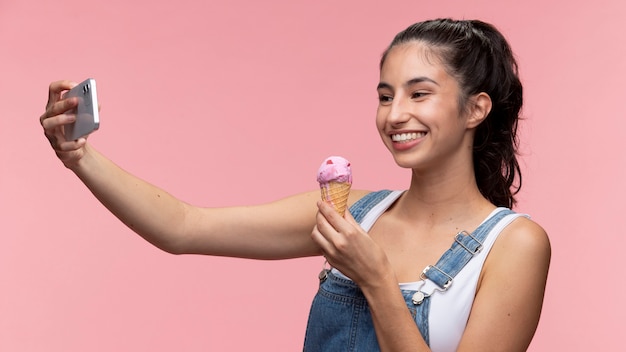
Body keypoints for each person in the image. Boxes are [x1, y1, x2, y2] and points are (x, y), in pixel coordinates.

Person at [40, 18, 551, 352]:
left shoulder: (514, 246)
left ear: (476, 109)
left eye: (420, 94)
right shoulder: (352, 214)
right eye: (384, 95)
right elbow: (183, 227)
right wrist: (79, 157)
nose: (396, 115)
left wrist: (375, 279)